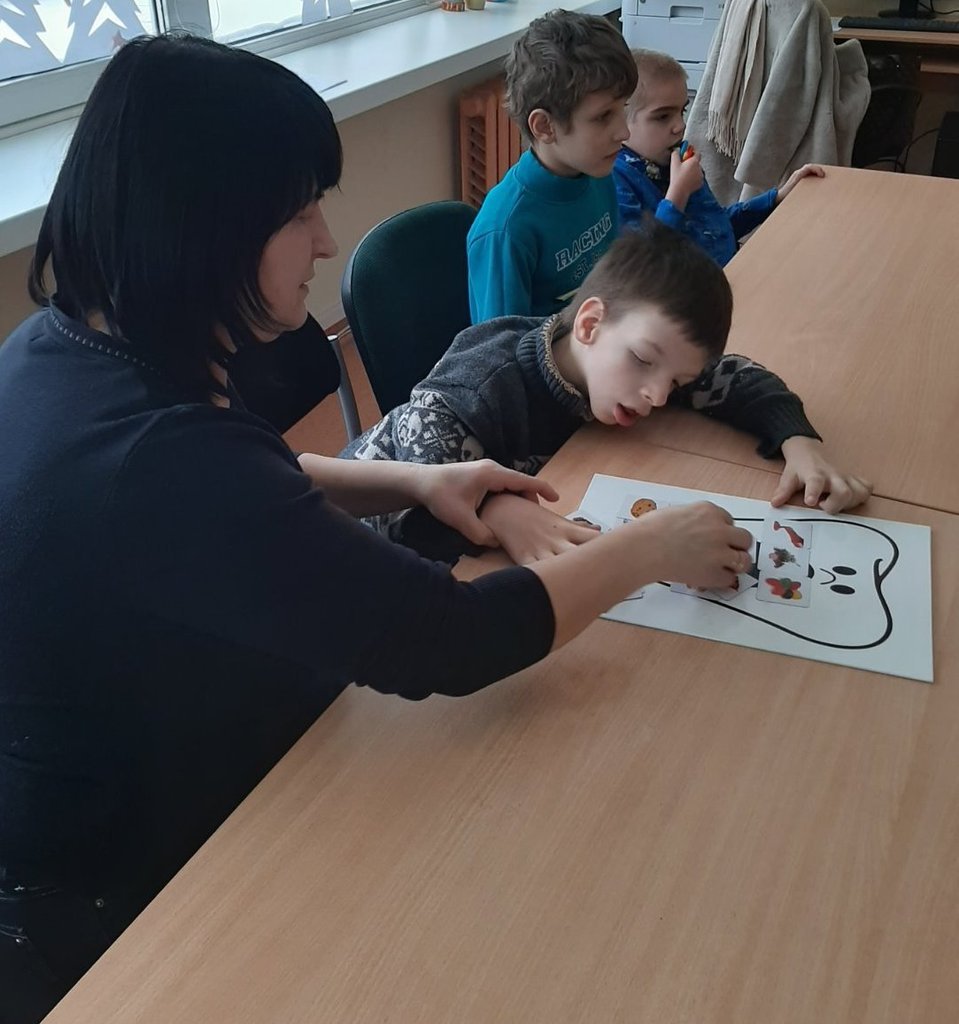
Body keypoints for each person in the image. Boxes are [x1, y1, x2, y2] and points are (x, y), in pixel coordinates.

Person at [0, 34, 755, 1024]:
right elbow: (455, 640)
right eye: (299, 212)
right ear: (206, 225)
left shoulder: (67, 345)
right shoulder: (162, 457)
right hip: (135, 881)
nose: (324, 241)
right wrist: (648, 547)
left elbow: (235, 480)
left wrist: (412, 479)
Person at [344, 221, 872, 564]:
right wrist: (498, 512)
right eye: (643, 361)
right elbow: (424, 503)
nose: (657, 396)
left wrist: (799, 442)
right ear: (590, 324)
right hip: (354, 540)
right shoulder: (481, 381)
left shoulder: (640, 360)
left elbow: (735, 377)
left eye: (676, 383)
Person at [466, 9, 636, 323]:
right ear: (545, 127)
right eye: (603, 117)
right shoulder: (507, 229)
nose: (624, 132)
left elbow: (609, 284)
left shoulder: (597, 174)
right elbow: (500, 347)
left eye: (622, 108)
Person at [613, 49, 825, 267]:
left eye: (682, 111)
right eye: (663, 116)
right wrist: (678, 194)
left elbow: (714, 228)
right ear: (619, 122)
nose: (680, 126)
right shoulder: (616, 180)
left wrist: (776, 198)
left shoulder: (678, 162)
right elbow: (641, 263)